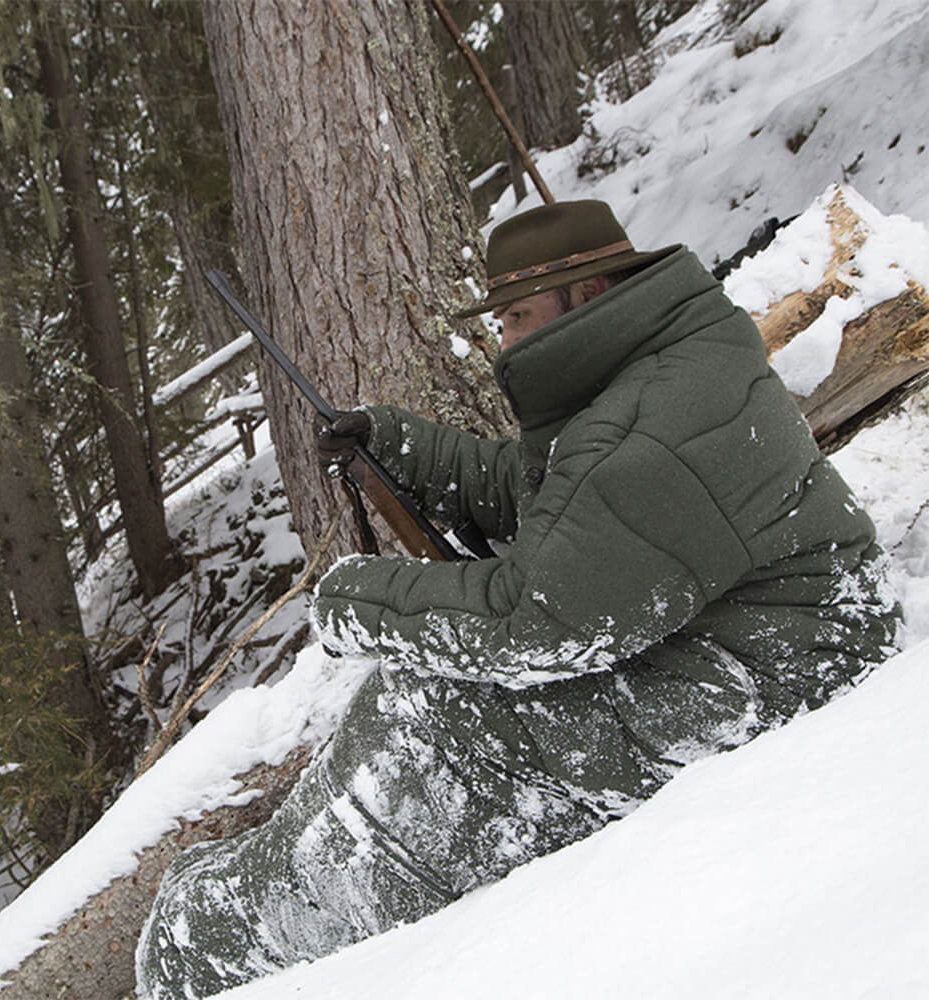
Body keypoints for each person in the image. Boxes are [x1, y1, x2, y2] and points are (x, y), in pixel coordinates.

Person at [135, 201, 900, 999]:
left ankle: (268, 932)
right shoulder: (664, 371)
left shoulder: (653, 425)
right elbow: (554, 497)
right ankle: (270, 887)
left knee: (447, 718)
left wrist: (353, 600)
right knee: (428, 699)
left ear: (588, 292)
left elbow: (532, 623)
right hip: (771, 642)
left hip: (780, 677)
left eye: (515, 317)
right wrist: (399, 447)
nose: (502, 341)